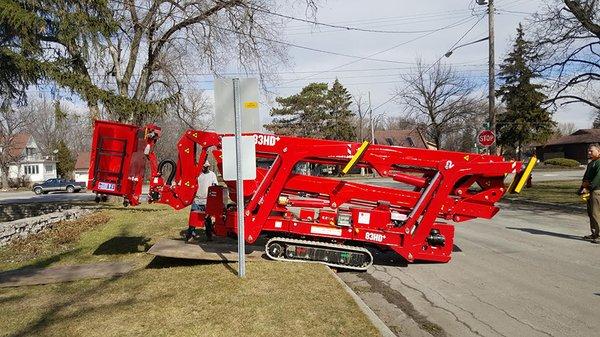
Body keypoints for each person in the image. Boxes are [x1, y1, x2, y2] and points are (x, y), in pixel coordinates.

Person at [185, 161, 218, 242]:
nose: (205, 168)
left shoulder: (212, 175)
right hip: (197, 200)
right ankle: (189, 236)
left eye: (207, 166)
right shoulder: (197, 175)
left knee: (208, 220)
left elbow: (215, 186)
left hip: (207, 201)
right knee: (193, 219)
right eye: (204, 166)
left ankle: (209, 236)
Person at [580, 143, 600, 244]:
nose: (589, 152)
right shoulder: (591, 163)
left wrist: (588, 187)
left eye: (591, 151)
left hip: (597, 191)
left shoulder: (599, 163)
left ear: (598, 151)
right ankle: (594, 233)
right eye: (588, 150)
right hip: (589, 191)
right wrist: (582, 188)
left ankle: (599, 235)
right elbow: (586, 177)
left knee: (596, 213)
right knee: (591, 213)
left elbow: (597, 178)